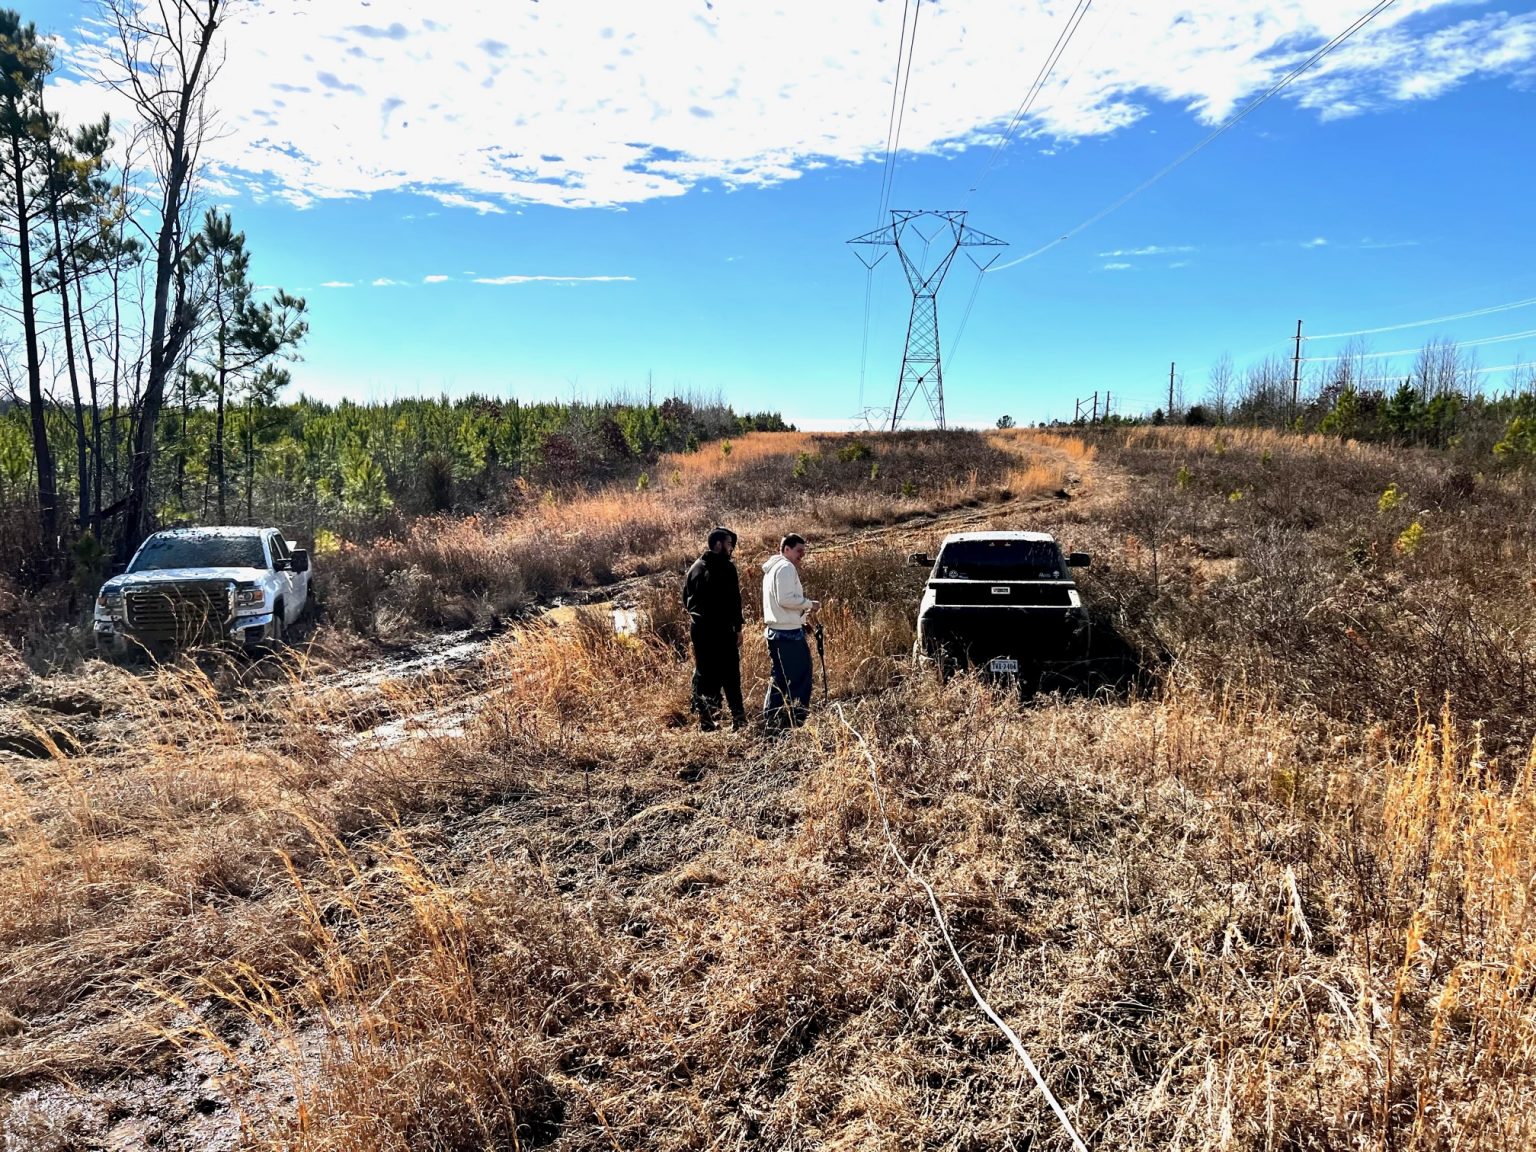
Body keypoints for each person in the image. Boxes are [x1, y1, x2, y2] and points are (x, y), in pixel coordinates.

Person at [683, 525, 746, 731]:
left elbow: (685, 599)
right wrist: (738, 628)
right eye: (729, 544)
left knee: (704, 673)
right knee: (730, 674)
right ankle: (739, 719)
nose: (731, 548)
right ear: (718, 544)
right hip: (721, 629)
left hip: (699, 630)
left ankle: (706, 721)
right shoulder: (726, 567)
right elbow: (734, 601)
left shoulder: (694, 568)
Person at [760, 533, 820, 729]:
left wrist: (801, 619)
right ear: (786, 549)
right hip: (788, 634)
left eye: (804, 551)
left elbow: (781, 603)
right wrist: (809, 604)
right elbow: (785, 599)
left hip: (776, 631)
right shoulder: (786, 567)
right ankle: (796, 721)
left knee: (779, 678)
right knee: (801, 677)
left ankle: (773, 721)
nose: (802, 555)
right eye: (798, 551)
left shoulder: (772, 568)